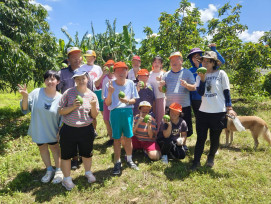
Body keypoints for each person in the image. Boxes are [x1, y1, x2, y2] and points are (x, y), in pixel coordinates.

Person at [190, 51, 236, 171]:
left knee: (215, 138)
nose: (204, 63)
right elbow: (200, 93)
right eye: (203, 61)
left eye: (207, 61)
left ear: (213, 62)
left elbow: (227, 92)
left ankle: (210, 158)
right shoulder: (199, 74)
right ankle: (196, 162)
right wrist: (203, 79)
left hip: (218, 112)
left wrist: (229, 108)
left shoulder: (221, 74)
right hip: (203, 111)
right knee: (201, 138)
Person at [19, 70, 63, 184]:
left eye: (53, 79)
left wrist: (60, 129)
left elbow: (63, 116)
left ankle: (58, 170)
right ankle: (49, 169)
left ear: (57, 81)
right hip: (39, 127)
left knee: (55, 148)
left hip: (52, 127)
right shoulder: (36, 92)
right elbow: (25, 109)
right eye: (47, 79)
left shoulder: (61, 97)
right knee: (42, 147)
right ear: (44, 81)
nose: (50, 81)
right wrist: (25, 97)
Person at [58, 69, 99, 190]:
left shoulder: (92, 95)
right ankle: (66, 179)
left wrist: (92, 106)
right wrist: (72, 106)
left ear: (87, 79)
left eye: (83, 78)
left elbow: (94, 115)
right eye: (78, 79)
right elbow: (60, 111)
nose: (81, 81)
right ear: (75, 80)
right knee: (66, 155)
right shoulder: (68, 93)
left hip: (86, 129)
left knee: (87, 153)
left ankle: (88, 172)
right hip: (69, 128)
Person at [57, 47, 94, 170]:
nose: (76, 59)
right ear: (68, 59)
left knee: (83, 132)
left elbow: (91, 90)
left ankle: (84, 155)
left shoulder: (86, 72)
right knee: (70, 133)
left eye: (78, 56)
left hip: (85, 108)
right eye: (73, 57)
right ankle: (74, 159)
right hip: (68, 107)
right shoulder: (62, 73)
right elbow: (57, 90)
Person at [104, 61, 140, 175]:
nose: (121, 72)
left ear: (126, 71)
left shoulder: (130, 83)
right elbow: (108, 103)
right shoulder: (109, 84)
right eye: (118, 70)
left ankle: (129, 160)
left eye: (123, 70)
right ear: (114, 72)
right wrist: (110, 93)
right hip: (115, 113)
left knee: (128, 137)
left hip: (128, 112)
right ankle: (117, 162)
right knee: (117, 139)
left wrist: (127, 101)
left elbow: (134, 99)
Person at [159, 51, 196, 151]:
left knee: (184, 127)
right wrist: (161, 86)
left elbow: (194, 87)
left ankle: (183, 145)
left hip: (183, 106)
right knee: (169, 126)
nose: (173, 62)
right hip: (170, 106)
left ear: (181, 61)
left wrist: (187, 85)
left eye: (176, 59)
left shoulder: (187, 73)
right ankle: (171, 144)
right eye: (171, 60)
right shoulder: (166, 75)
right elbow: (163, 90)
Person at [188, 44, 225, 118]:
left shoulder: (208, 66)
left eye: (198, 55)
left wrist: (214, 50)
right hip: (196, 99)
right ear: (191, 59)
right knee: (199, 119)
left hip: (209, 97)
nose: (196, 58)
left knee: (211, 118)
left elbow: (221, 61)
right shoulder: (190, 71)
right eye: (193, 57)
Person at [95, 59, 116, 146]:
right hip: (105, 101)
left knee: (114, 120)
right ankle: (111, 138)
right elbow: (96, 85)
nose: (109, 67)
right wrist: (103, 74)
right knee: (106, 120)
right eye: (107, 65)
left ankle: (117, 138)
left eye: (111, 65)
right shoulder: (104, 77)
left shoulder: (117, 76)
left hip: (115, 101)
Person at [148, 56, 166, 131]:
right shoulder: (149, 74)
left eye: (159, 62)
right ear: (152, 63)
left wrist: (161, 83)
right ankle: (151, 134)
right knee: (151, 117)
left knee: (160, 118)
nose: (156, 64)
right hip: (150, 99)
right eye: (155, 62)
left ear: (161, 64)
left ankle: (159, 136)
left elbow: (165, 90)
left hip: (160, 98)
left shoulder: (164, 74)